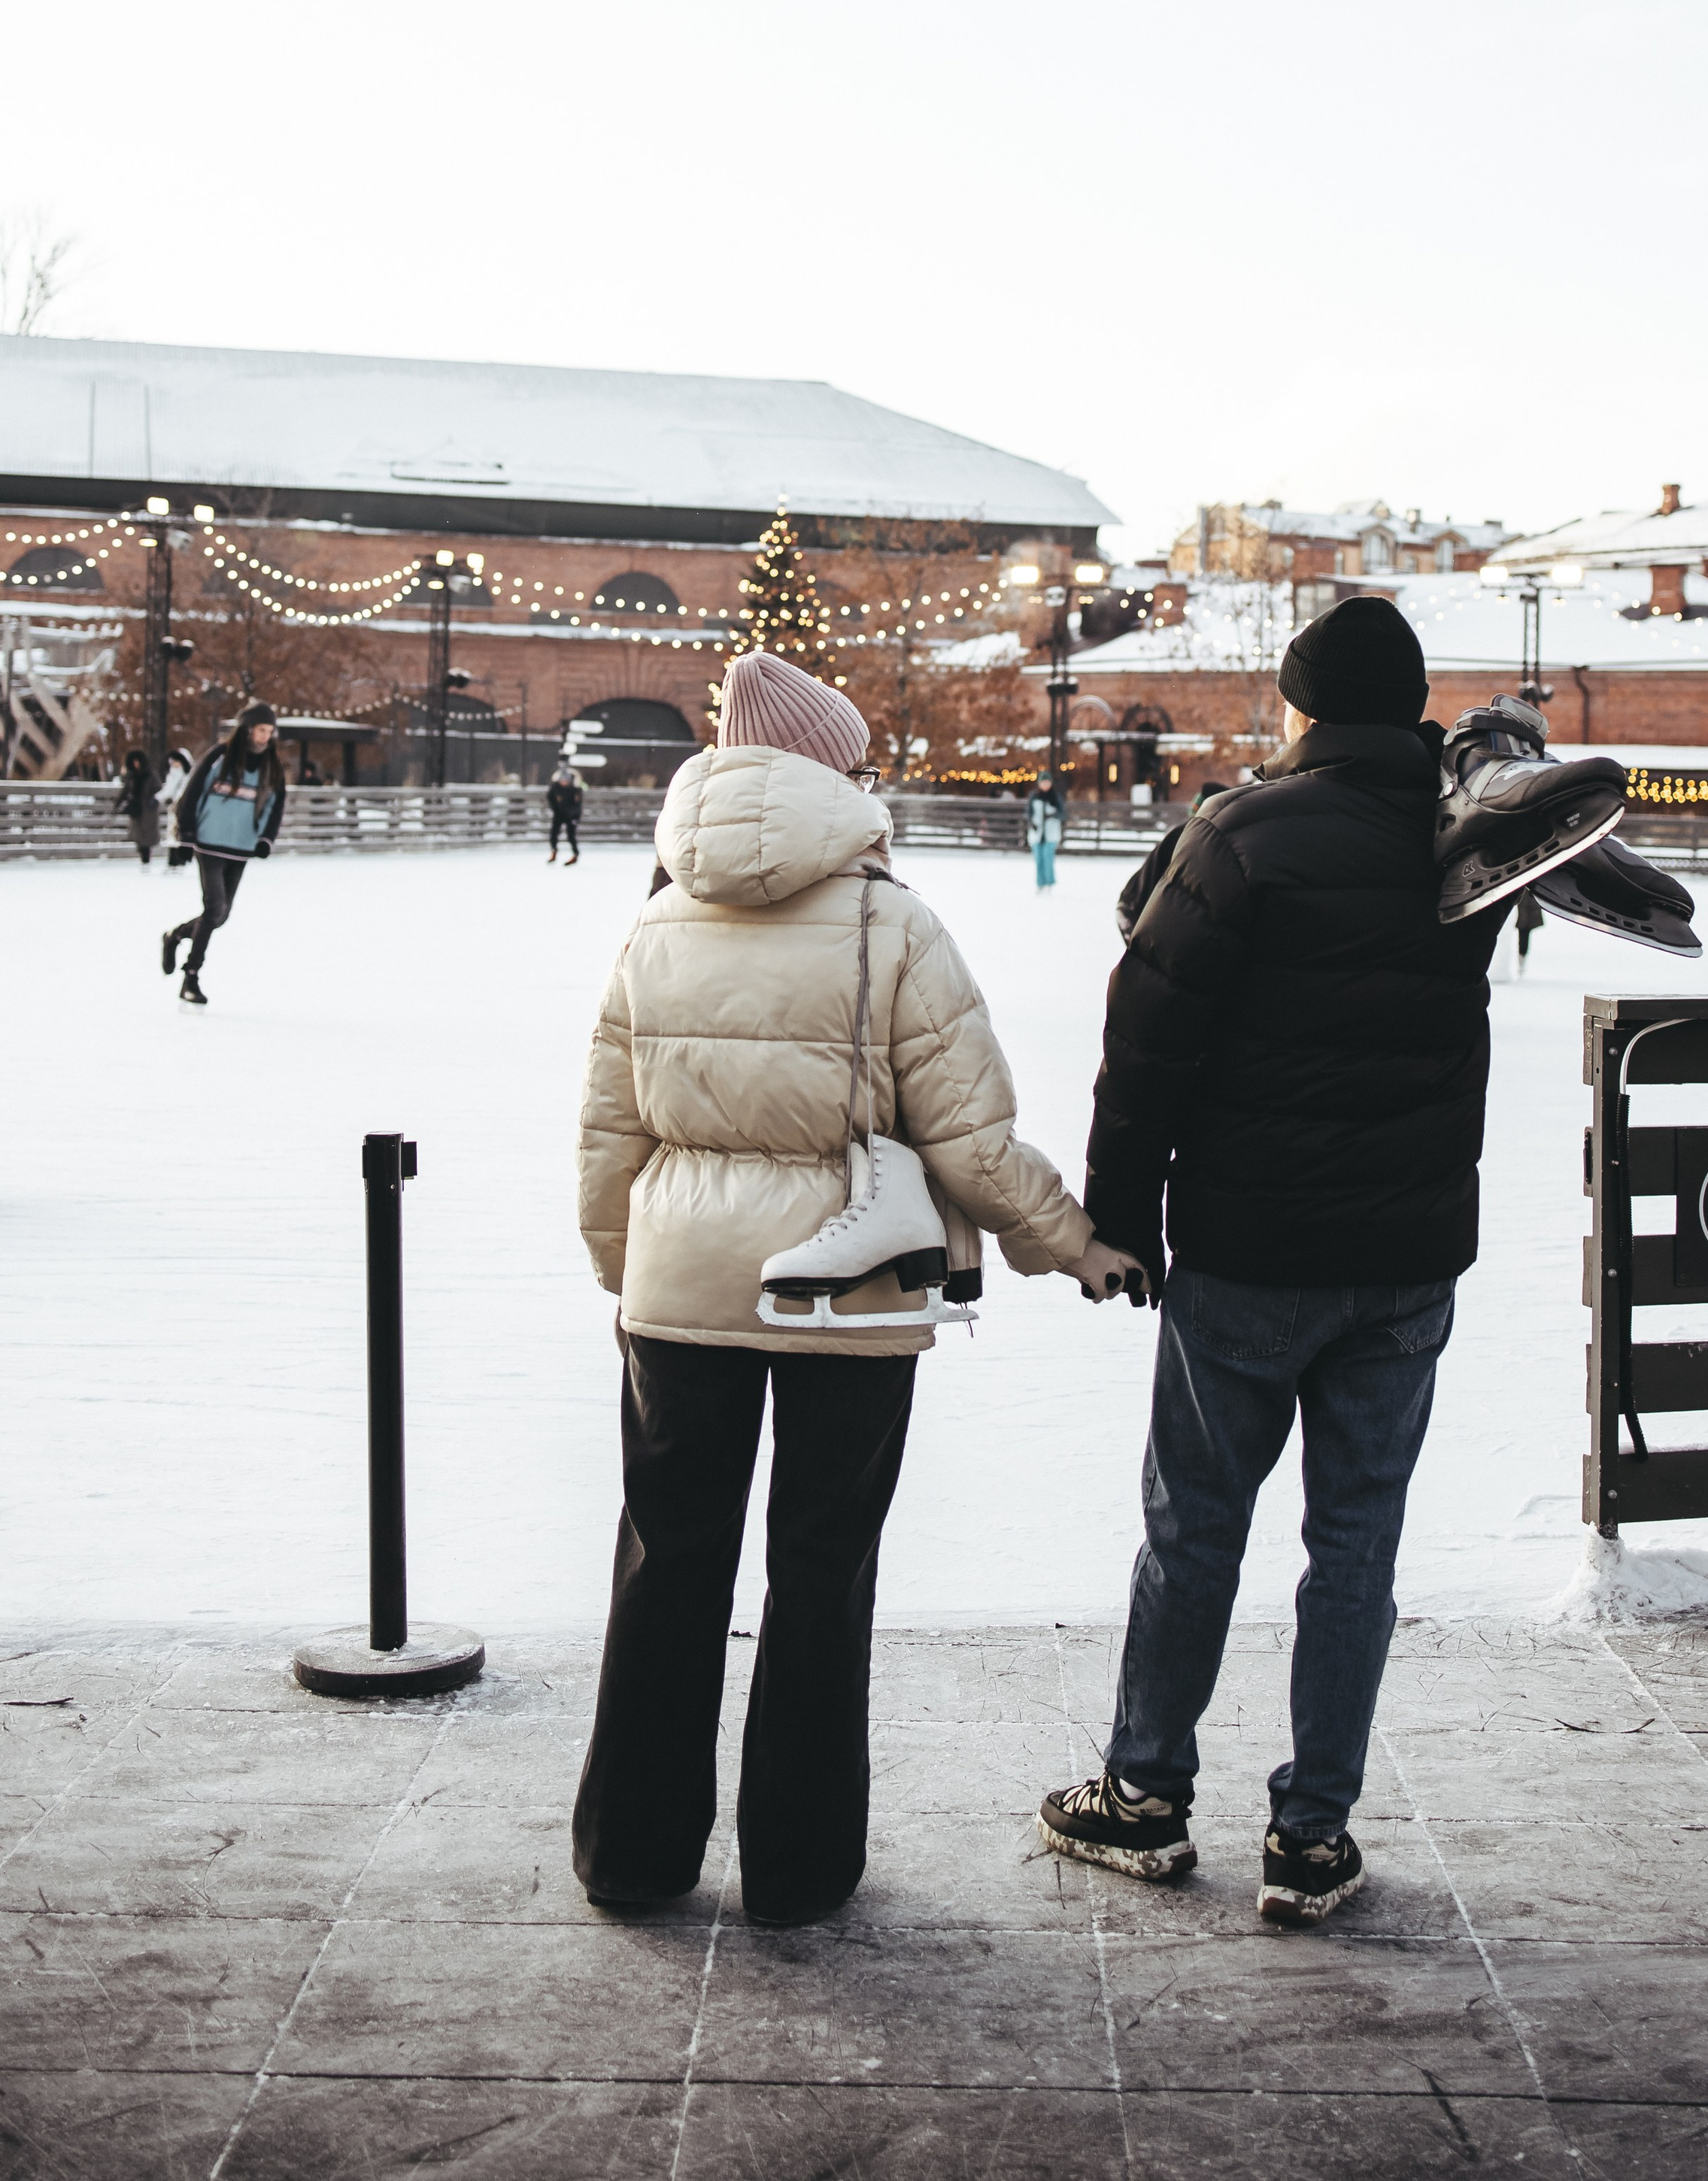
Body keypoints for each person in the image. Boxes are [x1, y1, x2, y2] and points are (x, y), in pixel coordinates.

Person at [572, 648, 1138, 1928]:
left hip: (681, 1302)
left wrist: (638, 1283)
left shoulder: (655, 920)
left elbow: (610, 1137)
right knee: (821, 1576)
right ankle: (799, 1868)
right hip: (851, 1300)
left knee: (667, 1567)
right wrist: (1070, 1242)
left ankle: (633, 1854)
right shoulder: (895, 924)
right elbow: (973, 1145)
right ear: (835, 775)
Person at [1036, 595, 1503, 1926]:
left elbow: (1148, 1044)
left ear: (1300, 706)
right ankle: (1313, 1835)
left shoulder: (1242, 834)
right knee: (1355, 1546)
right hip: (1404, 1259)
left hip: (1248, 1253)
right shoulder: (1463, 839)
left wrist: (1117, 1221)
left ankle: (1145, 1794)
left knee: (1195, 1530)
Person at [161, 704, 287, 1005]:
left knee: (219, 916)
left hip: (241, 846)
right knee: (214, 906)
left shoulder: (272, 765)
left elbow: (275, 805)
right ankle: (191, 977)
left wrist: (265, 839)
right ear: (247, 730)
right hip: (209, 843)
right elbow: (192, 793)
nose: (265, 737)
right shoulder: (220, 757)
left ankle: (175, 936)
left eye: (269, 732)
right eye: (261, 730)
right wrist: (187, 836)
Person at [114, 748, 162, 865]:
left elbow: (158, 789)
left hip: (148, 810)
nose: (136, 764)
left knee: (147, 835)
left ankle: (146, 858)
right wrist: (118, 804)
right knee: (138, 835)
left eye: (138, 761)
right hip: (136, 808)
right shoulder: (132, 776)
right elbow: (126, 791)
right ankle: (143, 856)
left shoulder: (150, 775)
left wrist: (154, 799)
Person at [1025, 778, 1063, 890]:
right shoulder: (1034, 796)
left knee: (1048, 858)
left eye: (1047, 783)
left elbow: (1063, 814)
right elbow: (1028, 812)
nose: (1045, 785)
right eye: (1043, 783)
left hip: (1051, 832)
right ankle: (1040, 883)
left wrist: (1053, 816)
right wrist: (1031, 822)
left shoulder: (1055, 797)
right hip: (1037, 832)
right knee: (1038, 859)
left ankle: (1049, 883)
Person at [548, 764, 584, 865]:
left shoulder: (575, 790)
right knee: (553, 835)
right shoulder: (555, 789)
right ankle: (554, 851)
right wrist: (556, 811)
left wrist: (574, 817)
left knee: (571, 836)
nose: (564, 782)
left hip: (572, 816)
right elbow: (551, 799)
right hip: (559, 815)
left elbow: (577, 806)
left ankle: (575, 854)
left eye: (566, 780)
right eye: (562, 780)